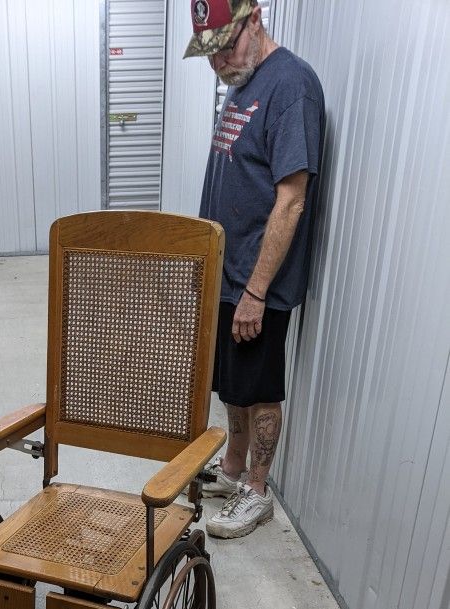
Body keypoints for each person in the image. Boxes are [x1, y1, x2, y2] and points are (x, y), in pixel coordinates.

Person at [184, 0, 325, 538]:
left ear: (256, 20)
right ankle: (233, 471)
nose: (218, 63)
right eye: (209, 53)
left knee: (260, 388)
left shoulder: (291, 85)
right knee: (233, 385)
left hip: (257, 281)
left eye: (225, 47)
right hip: (228, 270)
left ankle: (258, 492)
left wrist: (257, 291)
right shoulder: (242, 81)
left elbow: (291, 200)